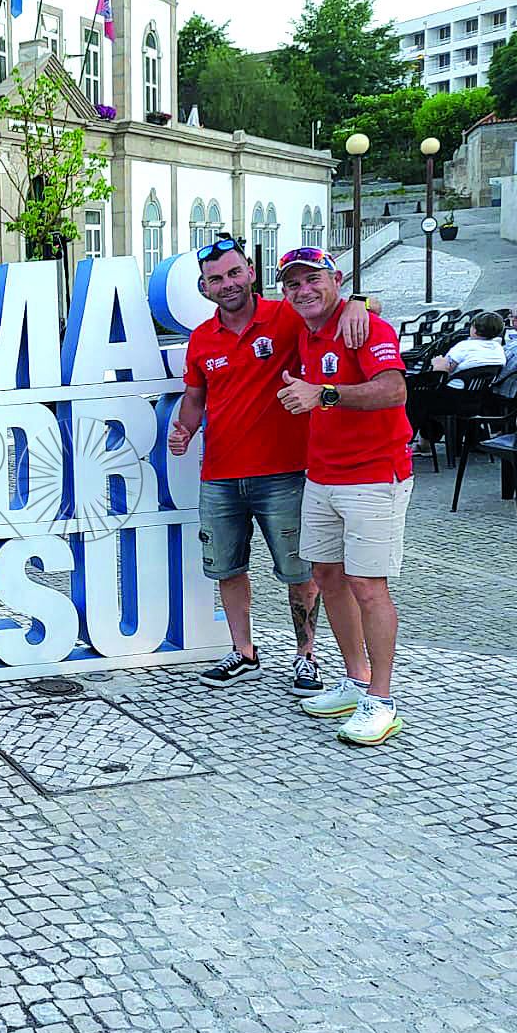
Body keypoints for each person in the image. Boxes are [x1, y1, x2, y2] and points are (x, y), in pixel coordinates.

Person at [169, 239, 368, 696]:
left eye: (234, 273)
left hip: (285, 473)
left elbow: (334, 310)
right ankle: (243, 653)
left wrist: (359, 301)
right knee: (227, 568)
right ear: (204, 287)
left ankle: (306, 657)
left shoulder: (287, 315)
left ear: (251, 272)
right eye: (216, 279)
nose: (227, 284)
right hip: (219, 475)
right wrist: (184, 429)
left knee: (301, 572)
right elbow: (196, 397)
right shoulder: (202, 337)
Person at [275, 247, 413, 747]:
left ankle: (382, 699)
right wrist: (359, 298)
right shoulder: (306, 329)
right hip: (323, 476)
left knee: (368, 585)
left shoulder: (366, 327)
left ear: (335, 279)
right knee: (327, 577)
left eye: (313, 279)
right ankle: (356, 681)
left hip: (374, 475)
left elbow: (394, 390)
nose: (303, 290)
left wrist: (325, 393)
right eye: (293, 283)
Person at [408, 311, 507, 452]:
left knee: (418, 398)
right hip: (478, 398)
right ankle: (426, 441)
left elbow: (445, 370)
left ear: (474, 329)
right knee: (429, 397)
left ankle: (417, 441)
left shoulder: (464, 347)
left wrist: (437, 363)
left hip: (453, 399)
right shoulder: (498, 349)